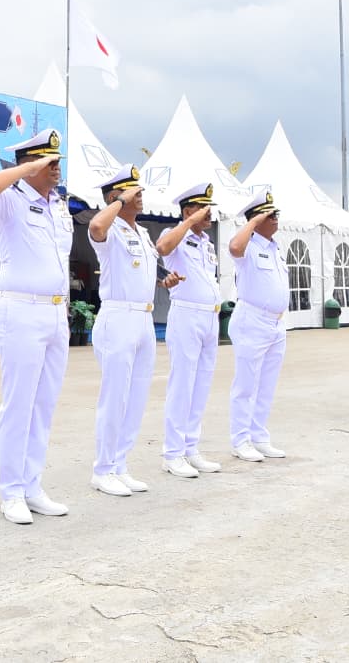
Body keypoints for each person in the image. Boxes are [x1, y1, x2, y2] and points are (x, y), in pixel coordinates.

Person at [0, 128, 73, 524]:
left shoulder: (59, 207)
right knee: (18, 405)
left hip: (54, 312)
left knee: (44, 405)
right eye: (48, 162)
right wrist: (26, 169)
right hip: (22, 312)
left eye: (56, 162)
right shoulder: (11, 201)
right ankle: (11, 491)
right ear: (29, 164)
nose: (55, 168)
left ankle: (32, 485)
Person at [85, 164, 158, 497]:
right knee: (115, 396)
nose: (140, 196)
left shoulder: (141, 233)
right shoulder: (109, 228)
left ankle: (119, 464)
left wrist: (163, 278)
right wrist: (117, 202)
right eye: (134, 192)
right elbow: (96, 225)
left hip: (144, 319)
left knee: (137, 396)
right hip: (118, 317)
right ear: (117, 196)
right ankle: (102, 469)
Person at [155, 181, 223, 478]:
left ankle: (191, 447)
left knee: (201, 386)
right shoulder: (175, 236)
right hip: (186, 316)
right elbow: (163, 248)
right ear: (188, 210)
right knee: (182, 385)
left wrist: (197, 225)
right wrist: (189, 222)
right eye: (203, 208)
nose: (209, 214)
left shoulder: (205, 243)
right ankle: (172, 452)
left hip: (210, 317)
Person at [226, 188, 289, 462]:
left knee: (266, 385)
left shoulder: (274, 248)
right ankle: (240, 440)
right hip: (252, 320)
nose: (276, 219)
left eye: (276, 214)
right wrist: (251, 222)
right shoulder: (248, 246)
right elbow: (234, 248)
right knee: (246, 385)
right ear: (256, 219)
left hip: (275, 323)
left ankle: (259, 436)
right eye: (270, 215)